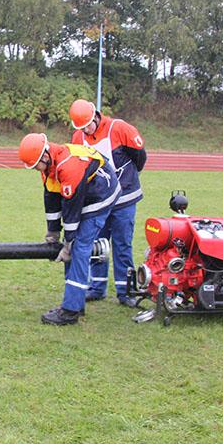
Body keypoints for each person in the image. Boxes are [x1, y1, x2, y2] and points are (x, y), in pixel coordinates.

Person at [18, 133, 120, 326]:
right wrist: (53, 232)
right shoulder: (48, 165)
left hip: (100, 195)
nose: (34, 170)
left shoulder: (68, 166)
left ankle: (71, 311)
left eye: (34, 166)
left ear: (45, 157)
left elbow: (71, 211)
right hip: (84, 191)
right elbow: (51, 198)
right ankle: (75, 300)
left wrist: (68, 243)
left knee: (79, 248)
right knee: (72, 247)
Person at [69, 99, 146, 307]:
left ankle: (125, 291)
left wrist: (127, 181)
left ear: (95, 116)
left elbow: (140, 157)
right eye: (81, 128)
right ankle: (97, 287)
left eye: (87, 125)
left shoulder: (119, 128)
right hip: (98, 202)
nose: (85, 130)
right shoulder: (78, 137)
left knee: (122, 244)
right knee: (98, 245)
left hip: (124, 199)